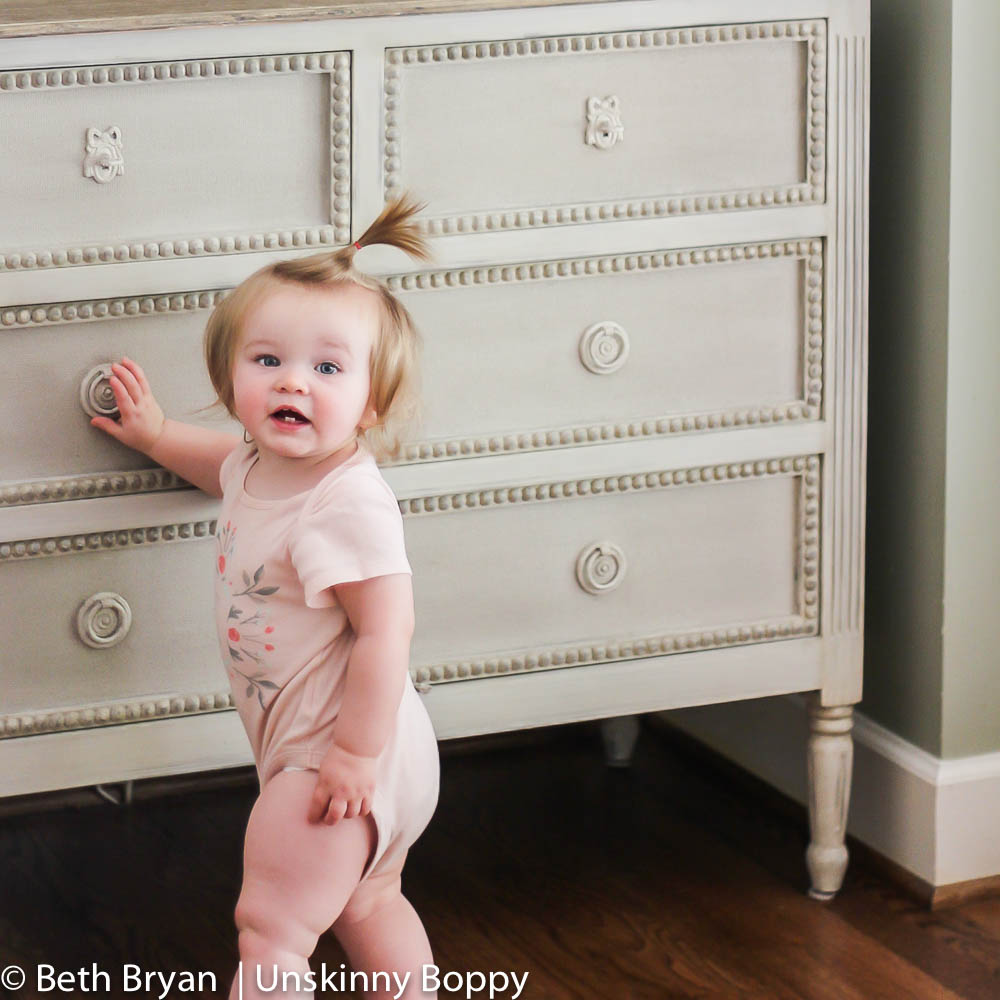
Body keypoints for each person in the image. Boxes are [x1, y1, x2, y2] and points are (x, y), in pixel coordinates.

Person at [91, 196, 441, 999]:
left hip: (342, 748)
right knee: (368, 900)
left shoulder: (347, 503)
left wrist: (351, 754)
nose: (293, 381)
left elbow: (388, 631)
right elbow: (221, 466)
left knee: (273, 929)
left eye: (328, 368)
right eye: (267, 361)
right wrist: (153, 437)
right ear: (232, 374)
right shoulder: (261, 464)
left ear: (372, 403)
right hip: (371, 750)